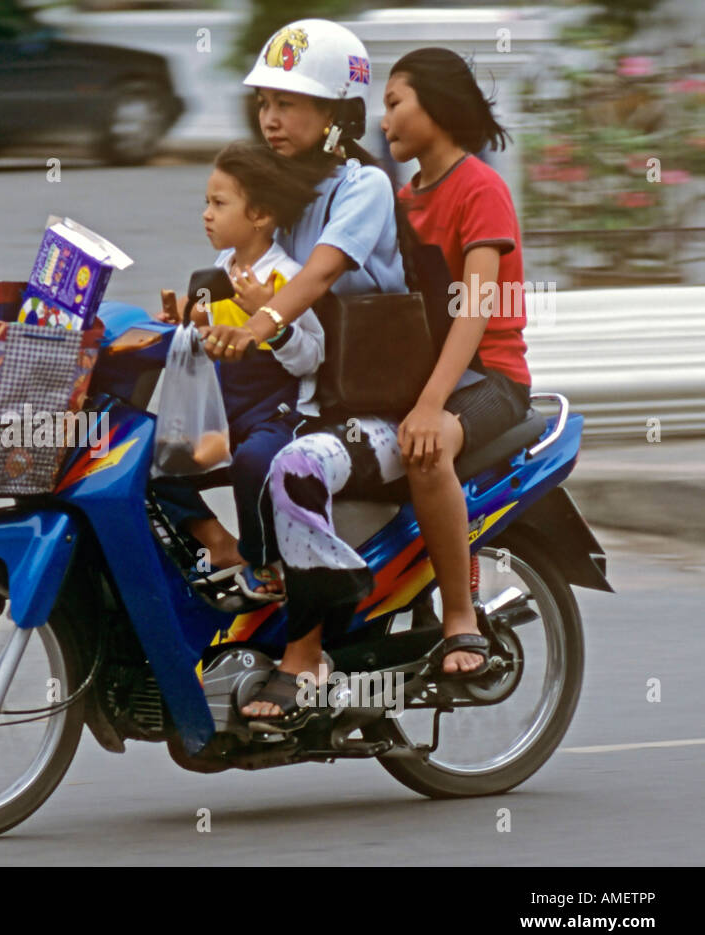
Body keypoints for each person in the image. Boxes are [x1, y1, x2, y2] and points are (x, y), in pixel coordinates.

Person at [192, 19, 416, 721]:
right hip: (301, 384)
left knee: (290, 469)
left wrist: (262, 321)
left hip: (364, 399)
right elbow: (242, 255)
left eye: (290, 103)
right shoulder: (280, 185)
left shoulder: (364, 186)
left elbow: (317, 275)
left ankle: (304, 655)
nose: (272, 117)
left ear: (337, 114)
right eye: (266, 103)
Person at [383, 47, 533, 677]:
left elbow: (475, 310)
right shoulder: (401, 195)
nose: (383, 119)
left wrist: (428, 406)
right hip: (428, 375)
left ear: (436, 107)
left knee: (426, 447)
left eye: (395, 104)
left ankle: (461, 617)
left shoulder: (480, 188)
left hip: (493, 378)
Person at [152, 141, 324, 601]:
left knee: (254, 463)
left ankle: (264, 563)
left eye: (219, 204)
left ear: (261, 215)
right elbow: (211, 340)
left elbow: (312, 356)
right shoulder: (218, 272)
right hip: (227, 407)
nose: (206, 214)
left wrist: (272, 318)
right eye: (206, 203)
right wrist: (189, 326)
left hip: (280, 411)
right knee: (157, 462)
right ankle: (221, 547)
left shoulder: (287, 278)